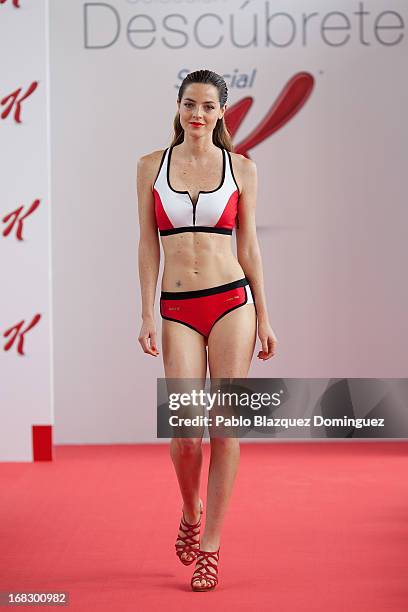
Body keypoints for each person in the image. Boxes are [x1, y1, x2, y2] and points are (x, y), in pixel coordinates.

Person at [137, 69, 277, 592]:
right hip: (176, 306)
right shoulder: (150, 166)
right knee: (185, 433)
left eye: (208, 107)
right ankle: (190, 507)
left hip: (232, 302)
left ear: (222, 113)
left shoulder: (242, 168)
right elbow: (147, 243)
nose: (198, 115)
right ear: (178, 107)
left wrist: (265, 314)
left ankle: (211, 547)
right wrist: (146, 312)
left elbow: (250, 247)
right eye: (189, 104)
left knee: (225, 427)